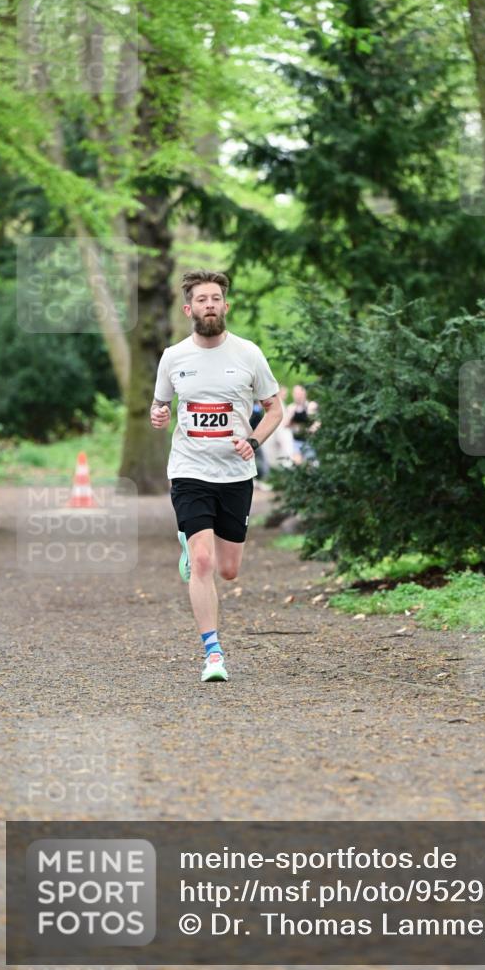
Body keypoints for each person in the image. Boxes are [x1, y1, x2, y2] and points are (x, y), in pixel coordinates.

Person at [150, 270, 282, 682]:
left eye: (216, 298)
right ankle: (213, 654)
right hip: (189, 469)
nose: (210, 304)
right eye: (202, 299)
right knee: (204, 561)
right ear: (189, 309)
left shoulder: (248, 354)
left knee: (228, 569)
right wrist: (158, 414)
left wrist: (254, 442)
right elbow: (159, 406)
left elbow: (274, 408)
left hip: (236, 474)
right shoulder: (173, 357)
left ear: (226, 305)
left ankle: (193, 550)